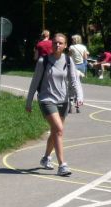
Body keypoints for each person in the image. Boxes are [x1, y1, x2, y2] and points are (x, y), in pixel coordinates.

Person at [26, 33, 83, 177]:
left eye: (60, 43)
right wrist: (29, 101)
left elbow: (74, 80)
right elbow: (34, 82)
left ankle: (45, 158)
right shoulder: (43, 61)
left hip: (63, 101)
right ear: (51, 44)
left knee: (55, 131)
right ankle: (62, 165)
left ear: (65, 46)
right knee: (58, 129)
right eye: (55, 43)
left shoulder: (68, 61)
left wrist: (79, 96)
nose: (57, 45)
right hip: (47, 99)